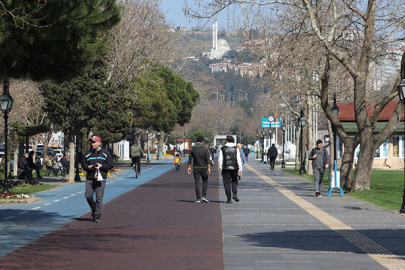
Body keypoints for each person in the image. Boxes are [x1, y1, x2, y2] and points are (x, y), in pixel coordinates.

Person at [81, 135, 113, 223]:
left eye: (94, 142)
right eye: (91, 142)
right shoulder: (87, 154)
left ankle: (97, 215)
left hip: (100, 179)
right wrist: (88, 166)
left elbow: (110, 165)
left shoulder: (106, 153)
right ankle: (94, 209)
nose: (92, 144)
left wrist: (101, 166)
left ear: (99, 143)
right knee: (88, 196)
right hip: (90, 178)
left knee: (99, 198)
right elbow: (83, 164)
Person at [218, 136, 242, 204]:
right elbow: (238, 159)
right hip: (234, 167)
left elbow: (220, 160)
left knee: (226, 183)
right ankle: (235, 194)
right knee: (234, 181)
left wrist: (220, 168)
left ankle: (229, 199)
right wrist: (240, 168)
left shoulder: (223, 149)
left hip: (225, 168)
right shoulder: (236, 149)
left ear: (227, 141)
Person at [187, 136, 211, 203]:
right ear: (202, 141)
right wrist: (209, 168)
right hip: (204, 167)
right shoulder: (205, 148)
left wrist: (189, 167)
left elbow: (190, 158)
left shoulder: (193, 148)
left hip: (196, 167)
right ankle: (204, 196)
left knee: (197, 182)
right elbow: (208, 159)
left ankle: (198, 198)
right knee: (205, 181)